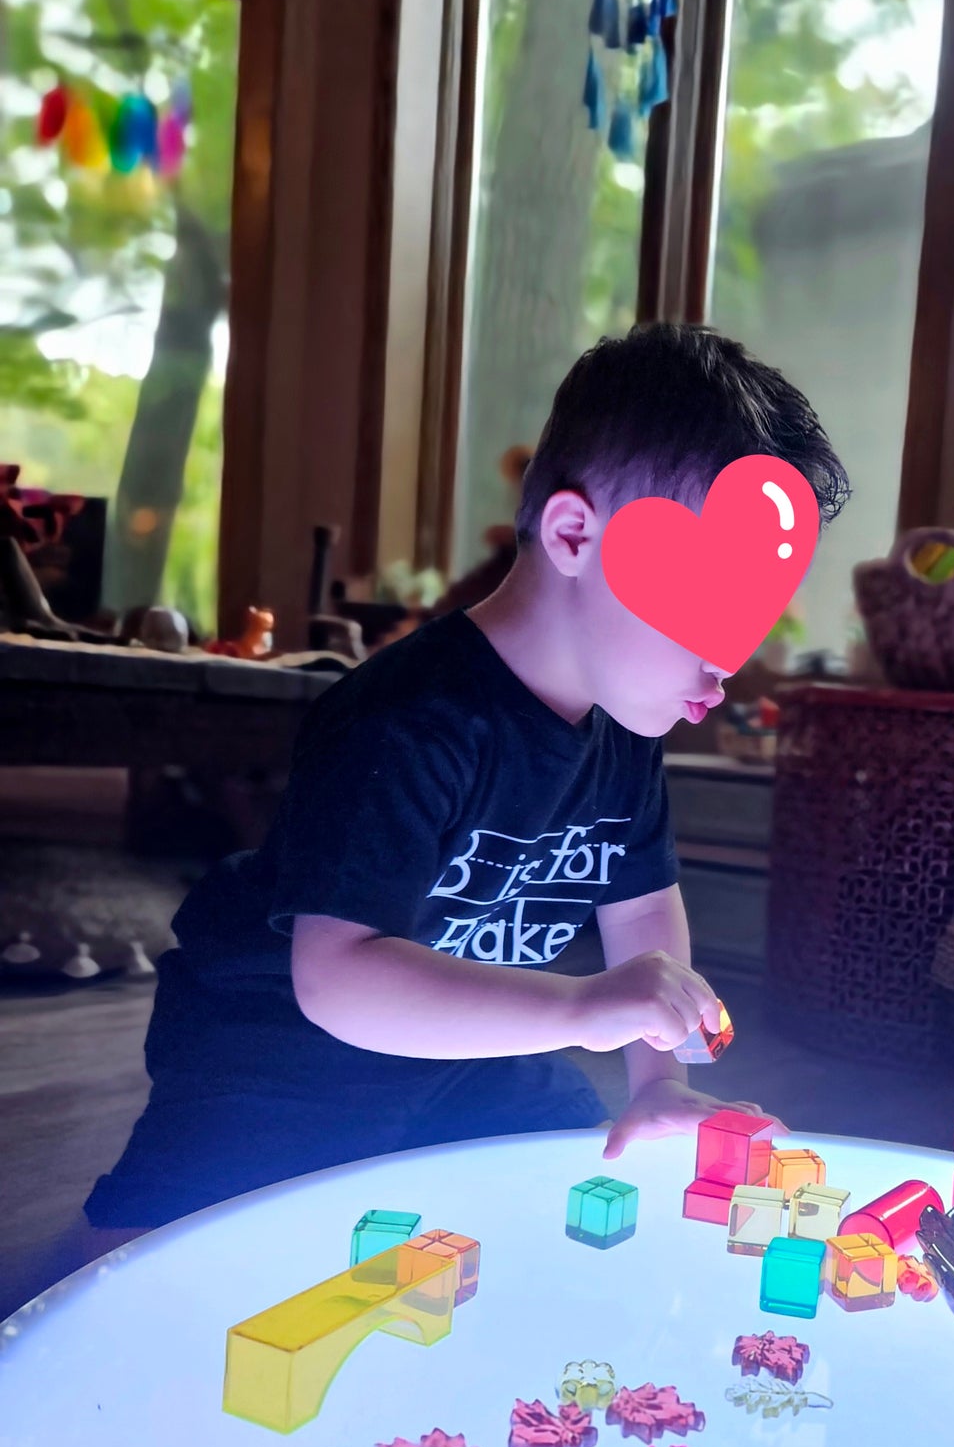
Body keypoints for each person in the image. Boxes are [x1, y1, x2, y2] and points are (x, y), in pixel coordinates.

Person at [76, 323, 851, 1257]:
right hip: (284, 1038)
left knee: (565, 1199)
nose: (729, 666)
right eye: (711, 609)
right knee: (160, 1261)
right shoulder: (408, 717)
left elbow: (644, 910)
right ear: (575, 533)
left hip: (475, 1049)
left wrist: (656, 1081)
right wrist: (577, 1008)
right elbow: (337, 979)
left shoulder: (624, 724)